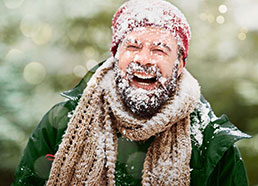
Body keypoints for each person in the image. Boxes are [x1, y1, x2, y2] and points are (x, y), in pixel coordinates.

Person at [12, 0, 251, 185]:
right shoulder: (61, 124)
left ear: (180, 65)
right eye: (133, 46)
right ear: (116, 55)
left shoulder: (212, 144)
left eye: (159, 50)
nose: (143, 59)